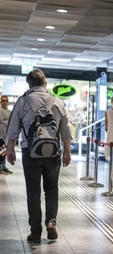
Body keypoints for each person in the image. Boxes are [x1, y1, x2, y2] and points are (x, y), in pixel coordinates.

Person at [5, 68, 73, 243]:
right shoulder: (57, 101)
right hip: (53, 152)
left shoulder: (23, 101)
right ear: (45, 83)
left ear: (29, 83)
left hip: (31, 152)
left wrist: (10, 150)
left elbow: (13, 128)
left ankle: (35, 232)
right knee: (51, 189)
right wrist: (67, 151)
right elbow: (65, 129)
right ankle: (51, 222)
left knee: (33, 192)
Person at [0, 95, 11, 174]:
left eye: (6, 100)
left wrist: (6, 121)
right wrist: (8, 121)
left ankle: (3, 166)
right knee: (1, 151)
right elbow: (1, 121)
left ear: (8, 102)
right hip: (0, 135)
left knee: (4, 151)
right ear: (0, 102)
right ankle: (1, 167)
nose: (4, 102)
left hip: (6, 135)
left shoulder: (9, 112)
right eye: (3, 100)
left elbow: (12, 122)